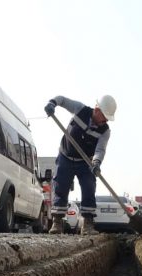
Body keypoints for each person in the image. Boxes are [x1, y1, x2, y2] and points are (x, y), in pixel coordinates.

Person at [44, 95, 117, 235]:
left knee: (89, 187)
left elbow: (100, 149)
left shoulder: (105, 131)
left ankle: (88, 224)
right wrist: (52, 103)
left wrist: (96, 162)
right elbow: (63, 100)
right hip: (65, 156)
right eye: (105, 116)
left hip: (86, 162)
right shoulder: (80, 109)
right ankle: (57, 222)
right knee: (61, 186)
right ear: (97, 109)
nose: (106, 120)